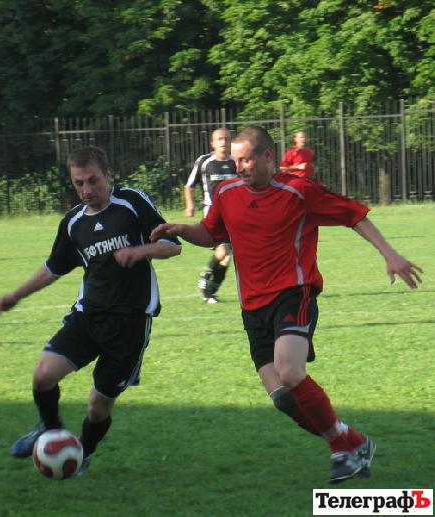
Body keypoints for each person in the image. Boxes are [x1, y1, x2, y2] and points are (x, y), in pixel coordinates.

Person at [151, 125, 423, 483]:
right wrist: (182, 230)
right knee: (283, 397)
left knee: (291, 372)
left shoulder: (299, 191)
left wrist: (391, 254)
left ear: (268, 156)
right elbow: (211, 232)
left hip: (294, 293)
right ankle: (353, 441)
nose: (238, 168)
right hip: (252, 306)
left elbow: (353, 214)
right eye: (235, 161)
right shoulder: (227, 192)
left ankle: (340, 450)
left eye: (246, 160)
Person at [0, 145, 181, 475]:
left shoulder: (131, 203)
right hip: (88, 316)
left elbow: (172, 246)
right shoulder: (73, 223)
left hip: (130, 325)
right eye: (79, 183)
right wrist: (15, 296)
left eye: (93, 180)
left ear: (108, 174)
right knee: (43, 375)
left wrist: (139, 251)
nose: (86, 190)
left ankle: (84, 452)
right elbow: (53, 268)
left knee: (98, 406)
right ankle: (50, 430)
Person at [184, 128, 237, 304]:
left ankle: (209, 292)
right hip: (213, 213)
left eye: (226, 139)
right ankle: (205, 277)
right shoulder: (204, 162)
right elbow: (189, 185)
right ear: (212, 143)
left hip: (233, 214)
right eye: (219, 139)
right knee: (224, 250)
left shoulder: (236, 161)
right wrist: (190, 205)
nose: (223, 142)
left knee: (227, 257)